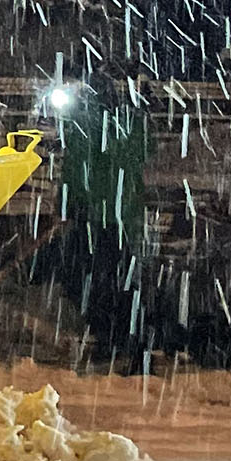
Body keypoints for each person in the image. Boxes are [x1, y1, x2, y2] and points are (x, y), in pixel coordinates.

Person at [56, 78, 151, 358]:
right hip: (121, 214)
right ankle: (127, 340)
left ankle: (114, 338)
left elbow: (76, 169)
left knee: (88, 280)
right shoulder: (126, 124)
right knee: (117, 281)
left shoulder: (85, 126)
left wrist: (70, 203)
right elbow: (141, 153)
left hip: (97, 216)